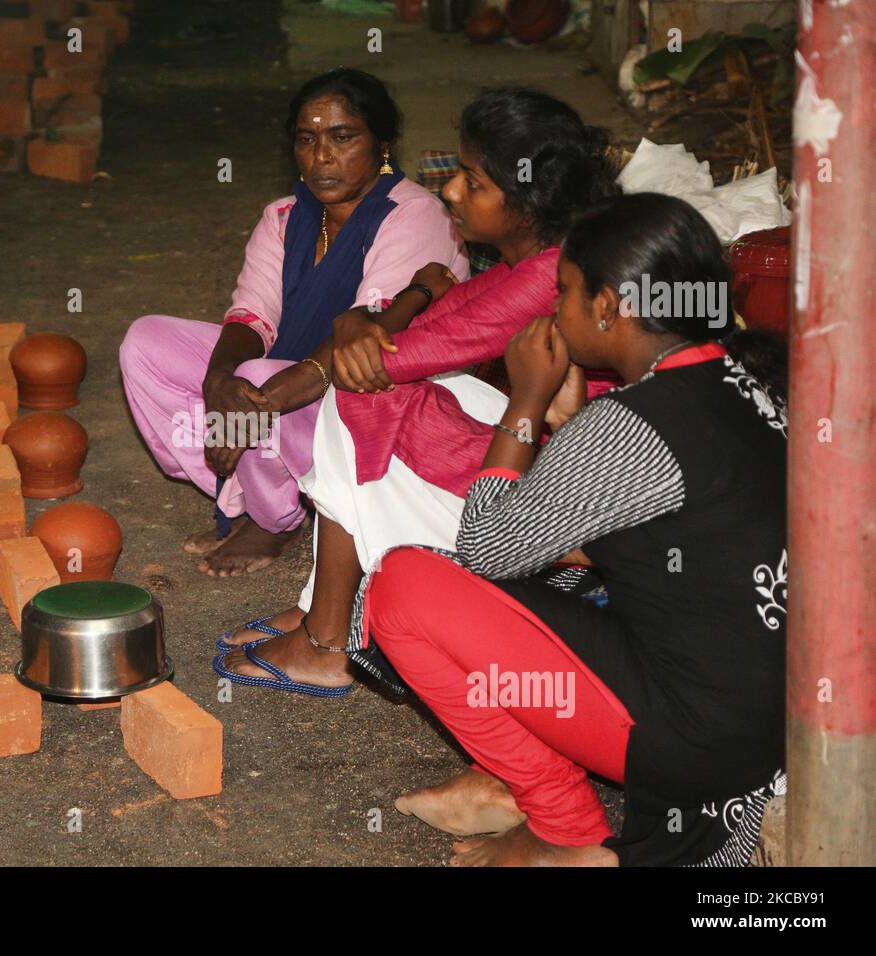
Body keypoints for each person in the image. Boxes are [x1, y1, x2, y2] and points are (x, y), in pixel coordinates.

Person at [364, 192, 788, 866]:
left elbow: (486, 549)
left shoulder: (628, 423)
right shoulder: (748, 381)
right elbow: (644, 529)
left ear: (610, 306)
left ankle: (565, 829)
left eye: (563, 293)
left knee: (402, 585)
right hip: (771, 726)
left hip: (699, 739)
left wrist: (526, 401)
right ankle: (517, 788)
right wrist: (566, 426)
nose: (551, 311)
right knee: (561, 580)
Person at [215, 89, 617, 696]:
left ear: (527, 202)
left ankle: (328, 639)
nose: (450, 190)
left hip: (576, 503)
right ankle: (325, 609)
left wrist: (385, 314)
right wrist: (410, 299)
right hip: (550, 454)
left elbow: (390, 351)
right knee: (367, 393)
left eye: (471, 180)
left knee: (362, 396)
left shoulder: (543, 278)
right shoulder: (524, 261)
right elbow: (405, 332)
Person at [119, 68, 467, 577]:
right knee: (146, 341)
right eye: (307, 140)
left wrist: (242, 413)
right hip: (289, 389)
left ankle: (274, 518)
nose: (321, 157)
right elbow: (251, 315)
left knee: (258, 379)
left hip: (375, 400)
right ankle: (252, 490)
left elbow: (369, 330)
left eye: (343, 138)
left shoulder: (413, 215)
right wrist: (218, 384)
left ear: (382, 143)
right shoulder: (284, 215)